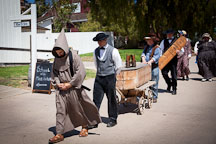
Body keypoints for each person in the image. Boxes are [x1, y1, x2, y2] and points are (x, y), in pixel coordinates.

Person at [50, 29, 101, 143]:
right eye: (57, 52)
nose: (59, 54)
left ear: (64, 48)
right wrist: (58, 84)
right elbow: (54, 73)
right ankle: (59, 133)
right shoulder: (56, 59)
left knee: (78, 109)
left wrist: (70, 84)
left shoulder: (74, 56)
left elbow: (81, 72)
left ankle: (84, 127)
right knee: (60, 110)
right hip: (61, 89)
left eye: (60, 52)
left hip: (74, 88)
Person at [92, 33, 122, 128]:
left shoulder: (113, 51)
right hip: (99, 78)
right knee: (96, 100)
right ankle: (94, 121)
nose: (99, 43)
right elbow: (96, 64)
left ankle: (113, 119)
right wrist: (100, 72)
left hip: (110, 77)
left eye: (101, 41)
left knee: (111, 99)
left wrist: (112, 75)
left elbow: (118, 66)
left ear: (105, 40)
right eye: (98, 41)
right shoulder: (95, 51)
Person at [159, 29, 182, 95]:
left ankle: (174, 88)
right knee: (164, 73)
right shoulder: (164, 41)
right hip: (165, 60)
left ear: (172, 34)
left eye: (170, 34)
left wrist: (179, 52)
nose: (169, 35)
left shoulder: (177, 41)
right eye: (168, 34)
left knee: (174, 75)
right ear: (166, 34)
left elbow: (182, 51)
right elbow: (160, 50)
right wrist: (161, 58)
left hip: (173, 60)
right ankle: (169, 84)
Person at [141, 33, 161, 103]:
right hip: (146, 67)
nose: (148, 42)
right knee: (147, 82)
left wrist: (150, 61)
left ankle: (155, 96)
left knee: (154, 81)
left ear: (153, 40)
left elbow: (157, 56)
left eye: (149, 40)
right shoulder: (147, 47)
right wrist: (143, 59)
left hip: (154, 66)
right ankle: (150, 94)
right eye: (147, 40)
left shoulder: (157, 47)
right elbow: (143, 53)